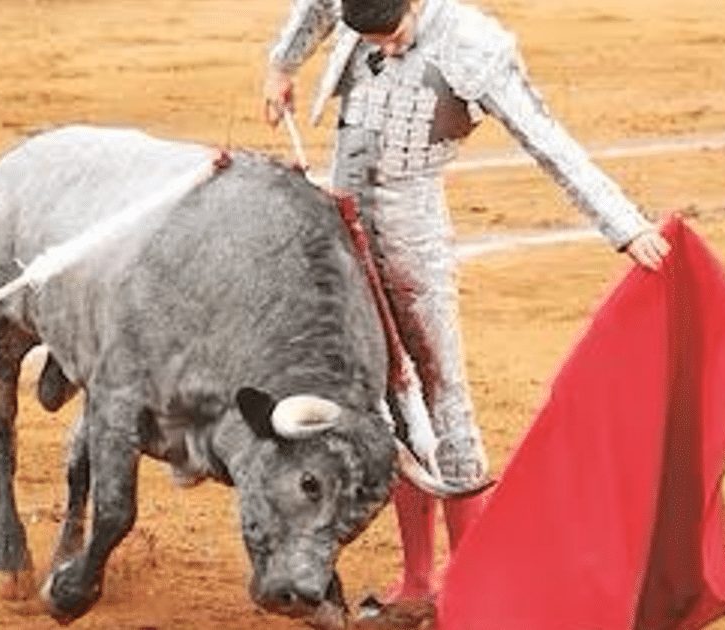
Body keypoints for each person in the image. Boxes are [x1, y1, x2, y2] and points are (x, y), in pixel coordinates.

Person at [260, 0, 672, 609]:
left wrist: (625, 226)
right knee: (383, 404)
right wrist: (281, 65)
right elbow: (317, 6)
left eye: (396, 36)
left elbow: (548, 139)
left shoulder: (474, 44)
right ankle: (421, 584)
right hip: (341, 228)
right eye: (373, 41)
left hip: (412, 235)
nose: (388, 51)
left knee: (443, 402)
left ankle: (476, 588)